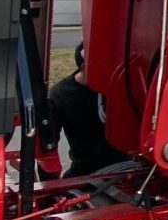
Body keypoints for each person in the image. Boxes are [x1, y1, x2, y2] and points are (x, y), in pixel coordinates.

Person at [45, 44, 126, 176]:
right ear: (85, 68)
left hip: (127, 168)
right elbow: (48, 145)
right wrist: (49, 187)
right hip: (85, 171)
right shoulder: (61, 95)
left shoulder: (121, 86)